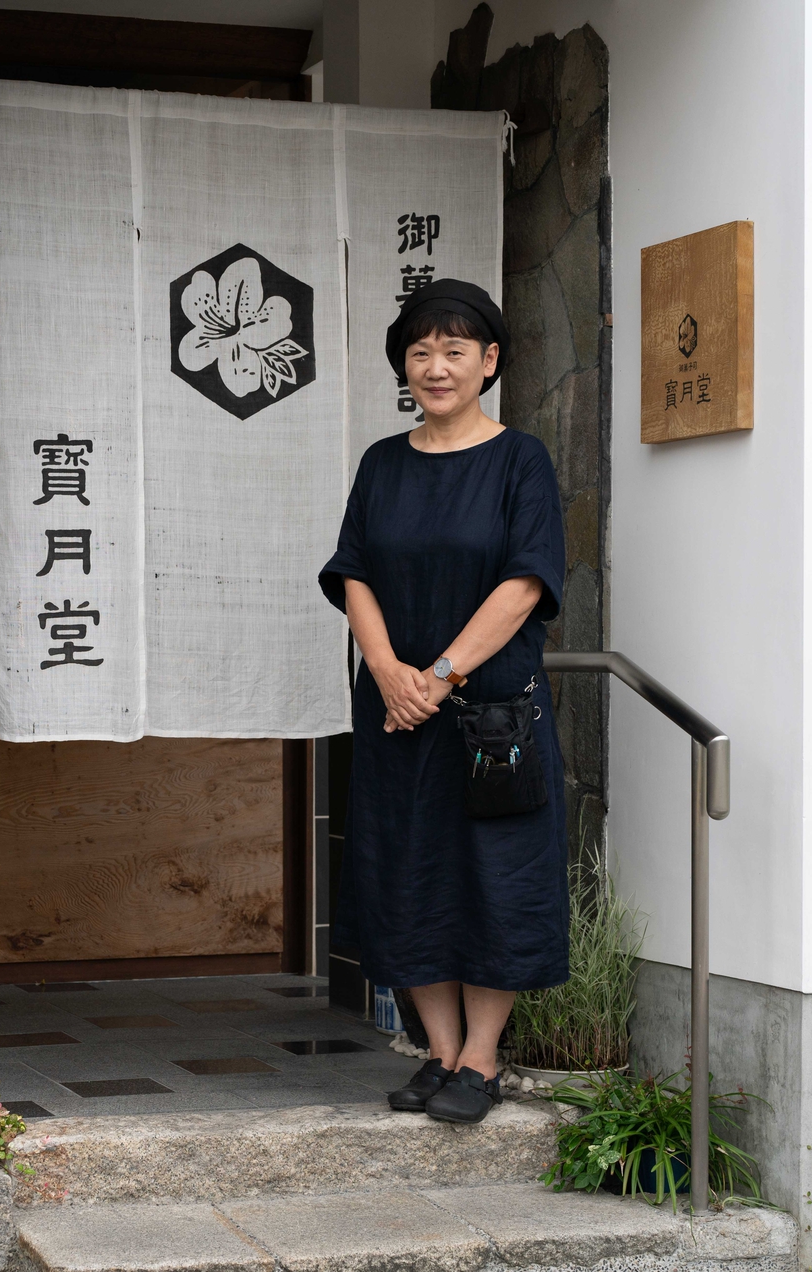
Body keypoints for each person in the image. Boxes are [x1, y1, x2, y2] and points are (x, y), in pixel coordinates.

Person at [318, 278, 567, 1125]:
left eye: (455, 350)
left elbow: (526, 582)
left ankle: (483, 1059)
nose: (437, 366)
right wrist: (388, 669)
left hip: (488, 715)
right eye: (421, 351)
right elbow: (353, 572)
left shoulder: (518, 459)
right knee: (406, 872)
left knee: (492, 878)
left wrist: (439, 675)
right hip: (395, 714)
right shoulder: (382, 462)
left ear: (489, 361)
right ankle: (440, 1049)